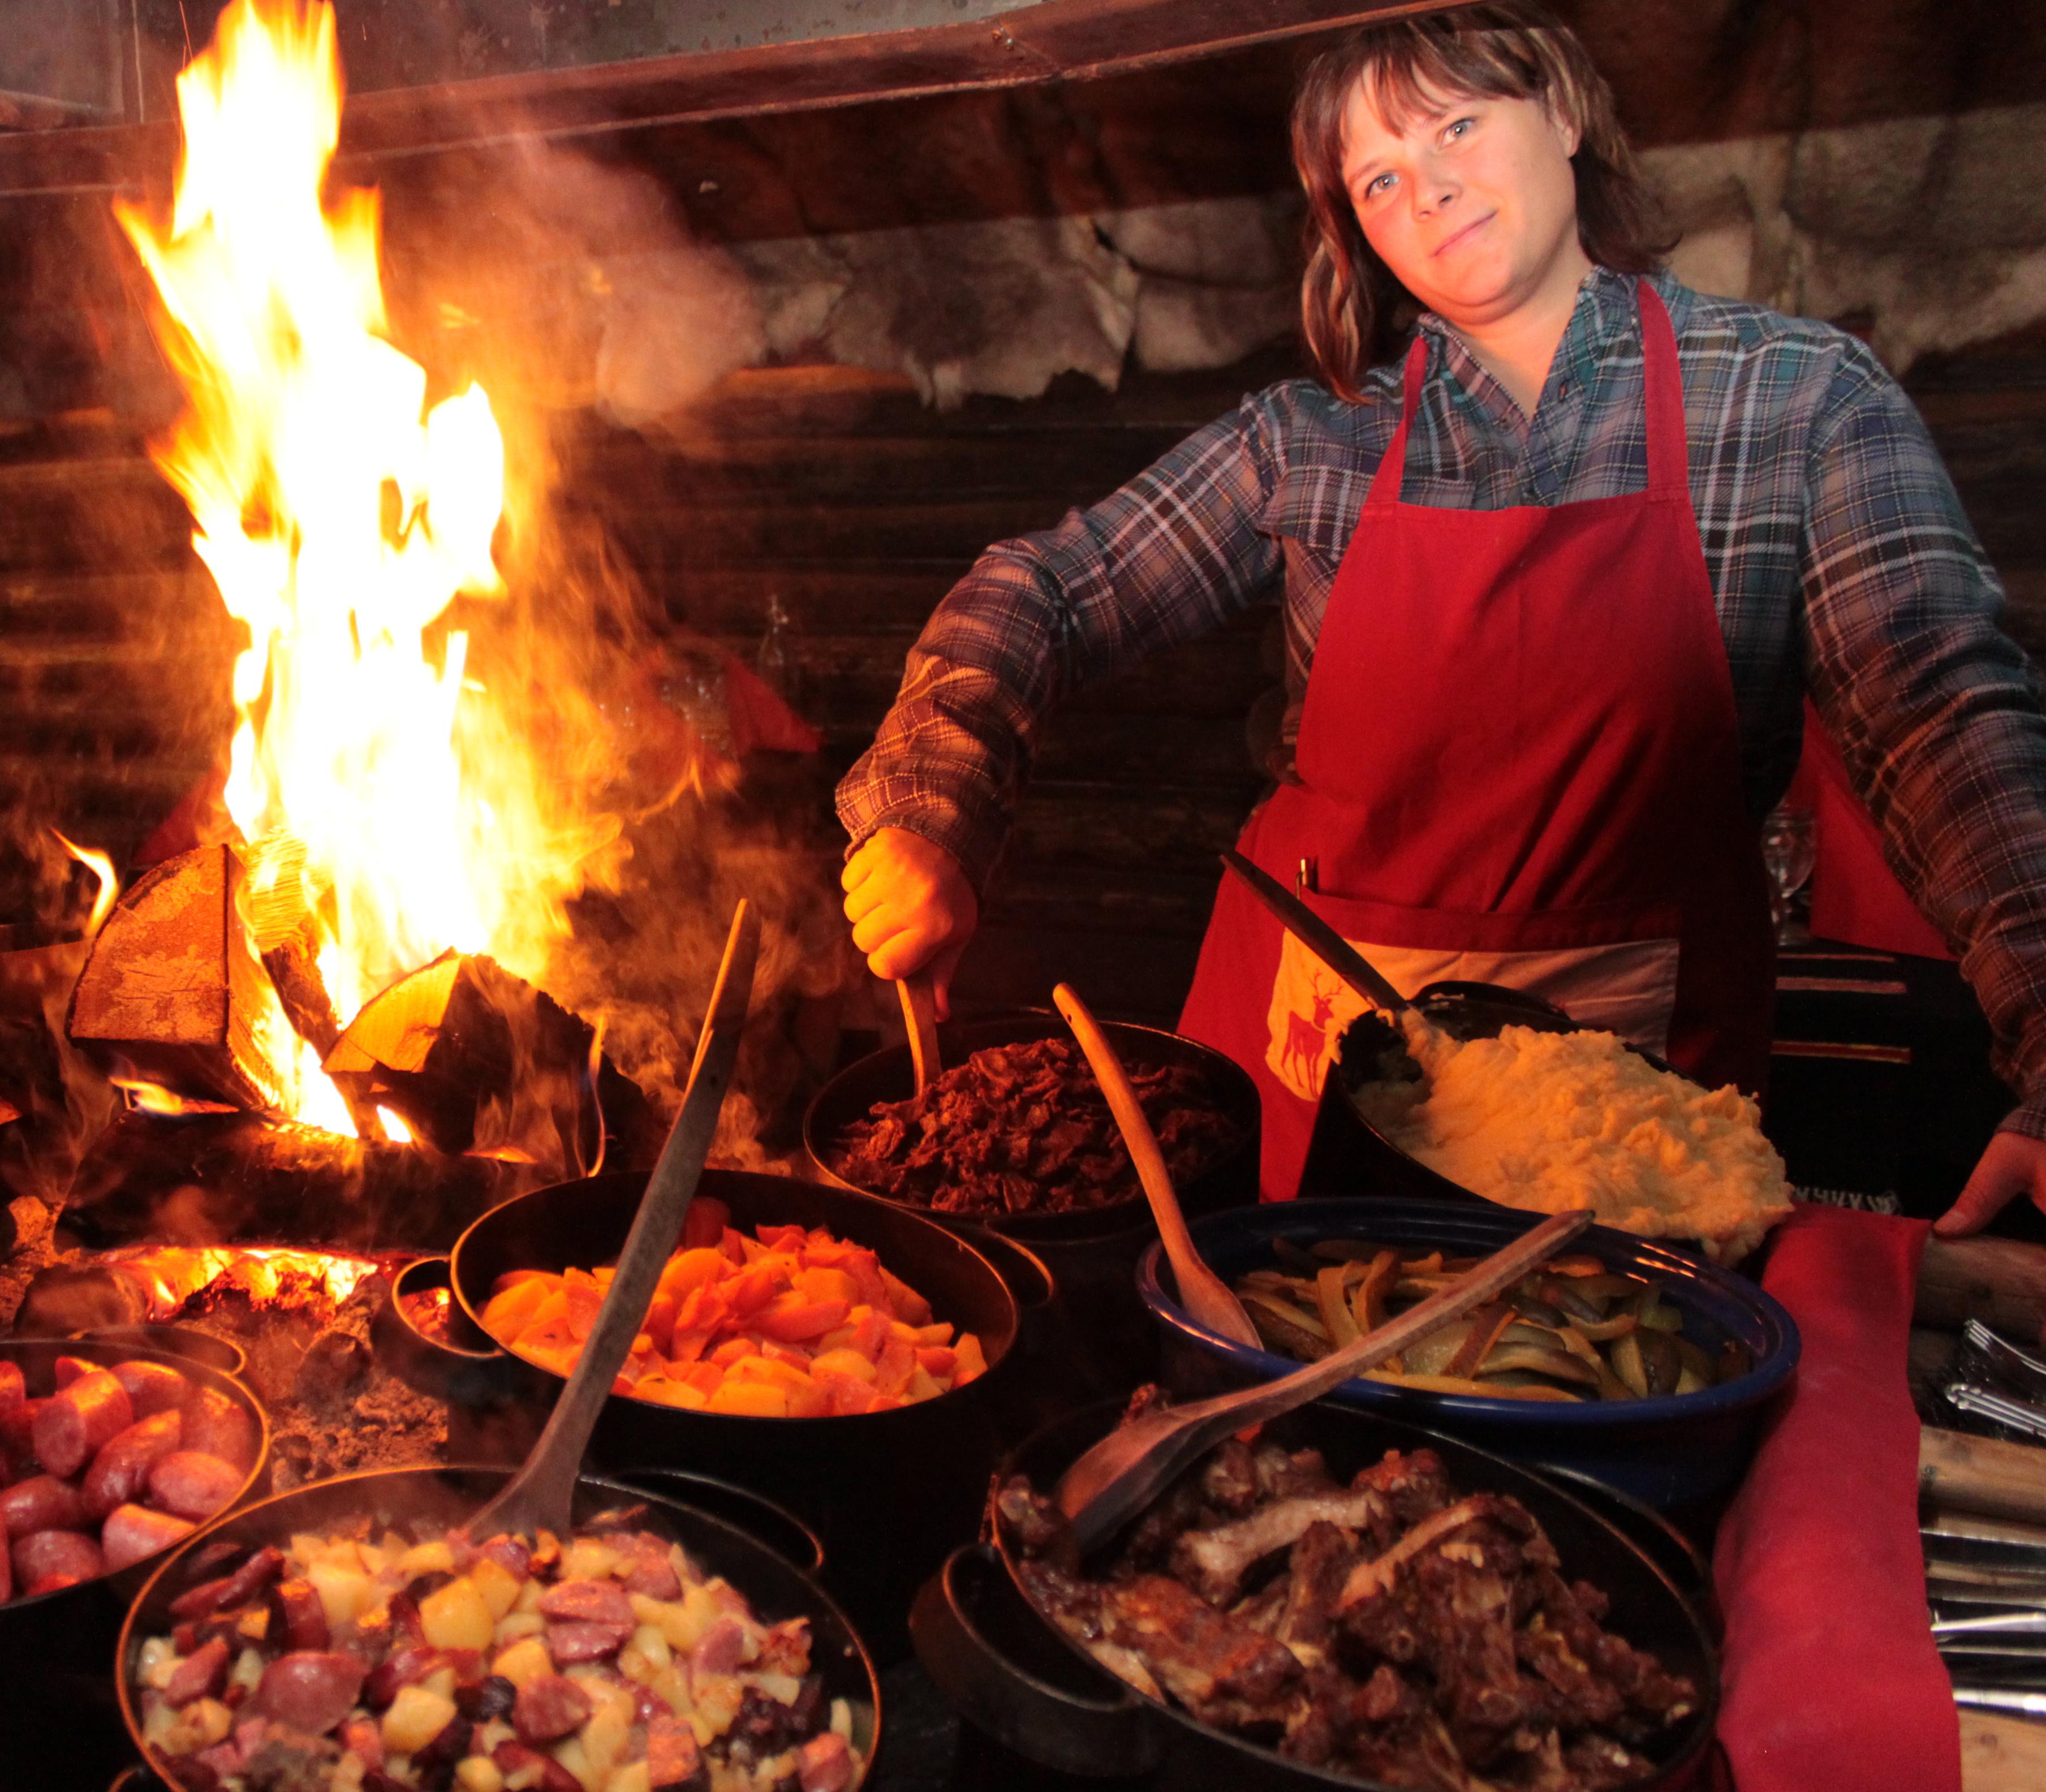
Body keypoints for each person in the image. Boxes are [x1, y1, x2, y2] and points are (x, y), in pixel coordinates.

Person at [834, 2, 2046, 1231]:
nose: (1428, 191)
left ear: (1565, 113)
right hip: (1306, 1086)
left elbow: (1941, 716)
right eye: (1379, 175)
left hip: (1629, 1123)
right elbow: (1049, 587)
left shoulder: (1797, 403)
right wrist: (934, 808)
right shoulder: (1313, 442)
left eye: (1459, 124)